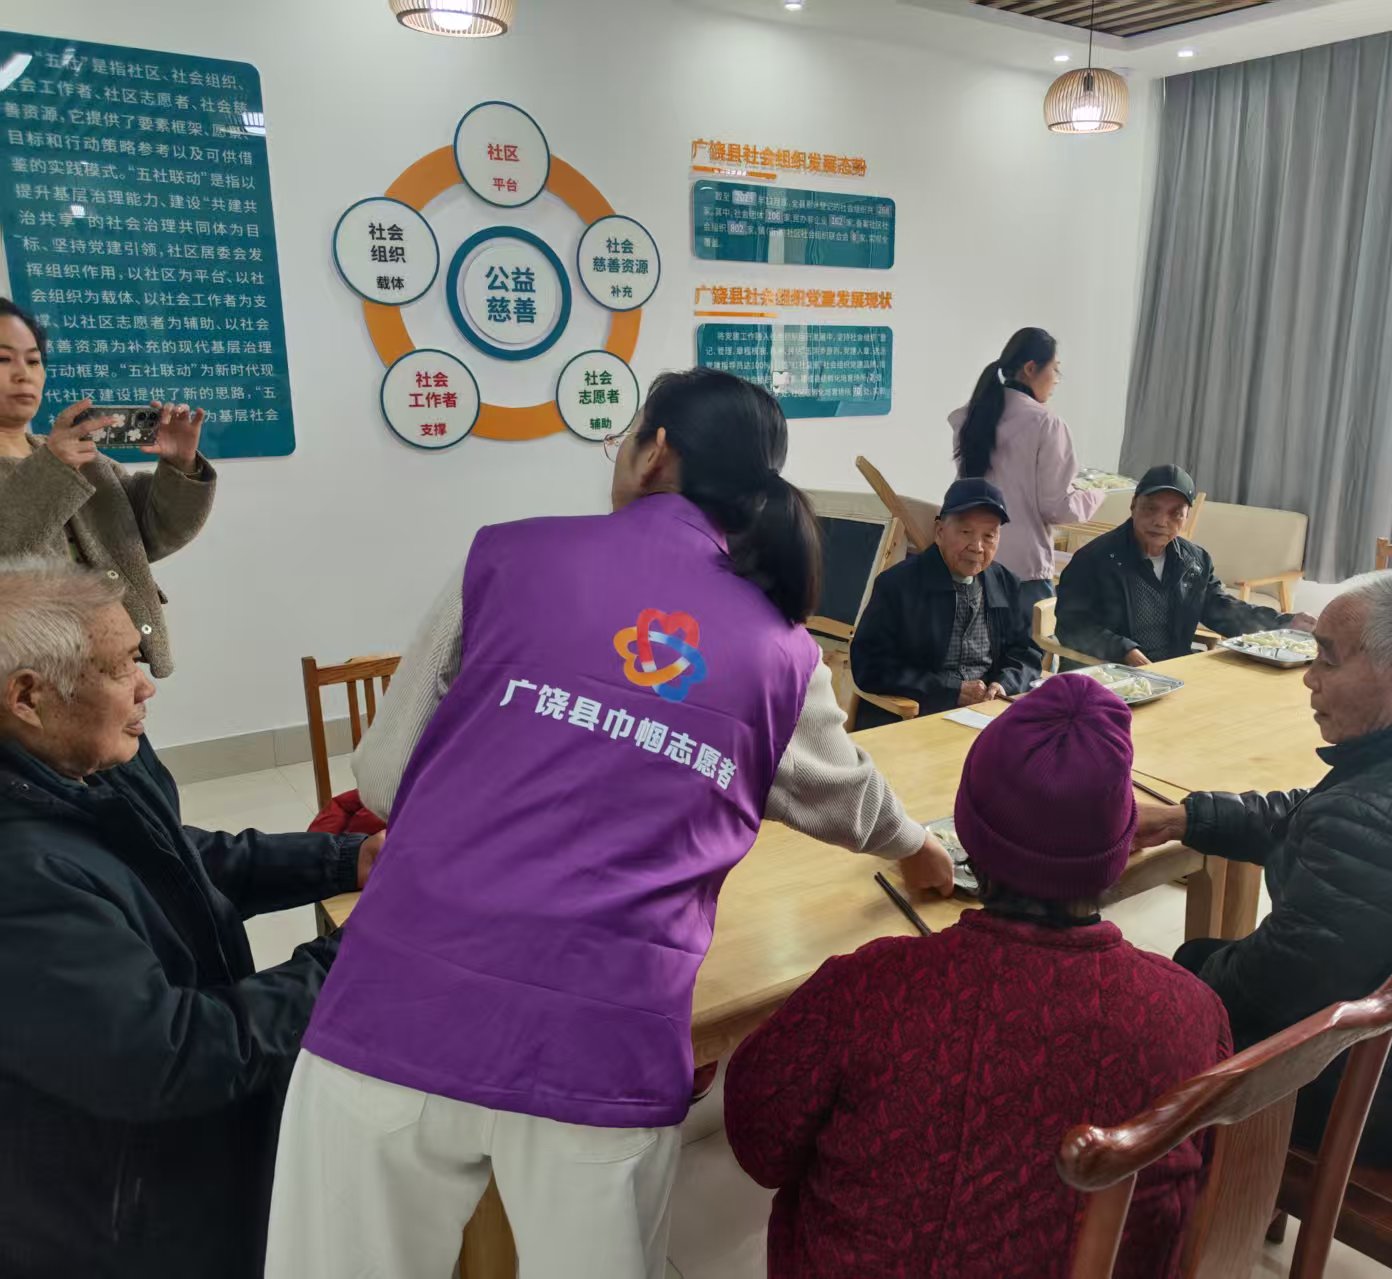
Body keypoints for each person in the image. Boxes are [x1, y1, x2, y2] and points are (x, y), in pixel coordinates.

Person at [265, 368, 954, 1279]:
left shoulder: (506, 556)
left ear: (654, 450)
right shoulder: (782, 648)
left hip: (398, 1007)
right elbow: (842, 792)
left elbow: (386, 777)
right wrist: (919, 846)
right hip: (603, 1046)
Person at [723, 674, 1232, 1279]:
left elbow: (761, 1146)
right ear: (1123, 843)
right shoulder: (1190, 1013)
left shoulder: (867, 991)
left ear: (966, 833)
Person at [0, 557, 384, 1279]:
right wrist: (362, 952)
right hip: (131, 1212)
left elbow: (180, 859)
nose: (147, 685)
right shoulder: (21, 878)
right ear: (28, 695)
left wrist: (347, 861)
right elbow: (173, 1052)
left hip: (202, 1150)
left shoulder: (88, 762)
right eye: (121, 667)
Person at [1135, 571, 1392, 1165]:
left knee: (1163, 995)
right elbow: (1315, 814)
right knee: (1196, 966)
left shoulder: (1378, 819)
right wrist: (1189, 818)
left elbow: (1272, 987)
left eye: (1328, 661)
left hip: (1384, 1099)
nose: (1309, 678)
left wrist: (1160, 986)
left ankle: (1179, 1192)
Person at [0, 298, 215, 678]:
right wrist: (52, 469)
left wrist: (180, 465)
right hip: (29, 680)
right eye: (3, 359)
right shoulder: (60, 459)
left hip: (113, 667)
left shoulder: (83, 458)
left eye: (33, 361)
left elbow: (154, 534)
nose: (24, 374)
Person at [1056, 463, 1315, 666]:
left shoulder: (1194, 561)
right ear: (1133, 505)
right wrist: (1124, 651)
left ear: (1186, 517)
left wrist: (1284, 624)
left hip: (1172, 673)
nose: (1161, 521)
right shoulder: (1095, 559)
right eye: (1150, 508)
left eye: (1175, 513)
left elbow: (1221, 609)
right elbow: (1071, 625)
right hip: (1107, 676)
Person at [848, 478, 1043, 728]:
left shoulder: (1006, 583)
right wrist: (949, 689)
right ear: (939, 532)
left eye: (989, 536)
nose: (977, 547)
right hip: (917, 714)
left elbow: (1026, 652)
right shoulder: (897, 585)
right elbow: (870, 666)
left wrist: (1005, 684)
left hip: (987, 714)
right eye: (966, 532)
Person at [949, 326, 1101, 617]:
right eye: (1055, 369)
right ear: (1031, 369)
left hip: (970, 559)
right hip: (1022, 572)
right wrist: (1094, 495)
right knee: (1030, 646)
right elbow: (1056, 507)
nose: (1055, 381)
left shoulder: (970, 416)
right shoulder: (1046, 423)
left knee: (973, 644)